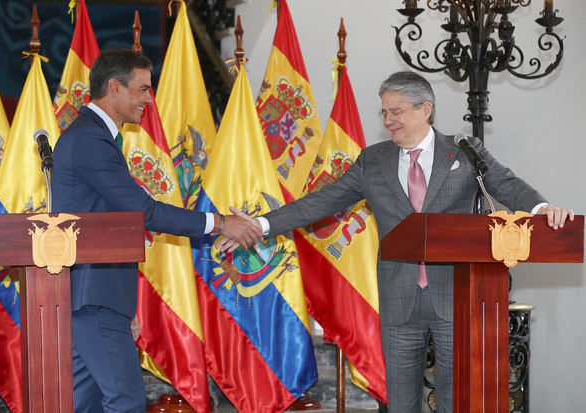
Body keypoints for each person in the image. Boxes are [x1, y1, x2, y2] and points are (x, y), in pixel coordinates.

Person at [222, 71, 574, 413]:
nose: (388, 119)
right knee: (401, 404)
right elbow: (321, 201)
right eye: (384, 112)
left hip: (456, 298)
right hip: (399, 301)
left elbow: (506, 184)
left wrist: (542, 209)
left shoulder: (464, 151)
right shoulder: (372, 160)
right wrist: (262, 224)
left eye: (396, 111)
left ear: (425, 110)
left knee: (457, 401)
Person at [51, 48, 261, 413]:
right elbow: (144, 212)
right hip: (93, 295)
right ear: (114, 88)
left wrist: (123, 306)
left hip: (95, 294)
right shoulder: (90, 139)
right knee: (126, 401)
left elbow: (111, 221)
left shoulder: (94, 136)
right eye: (143, 89)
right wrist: (221, 223)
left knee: (88, 403)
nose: (149, 99)